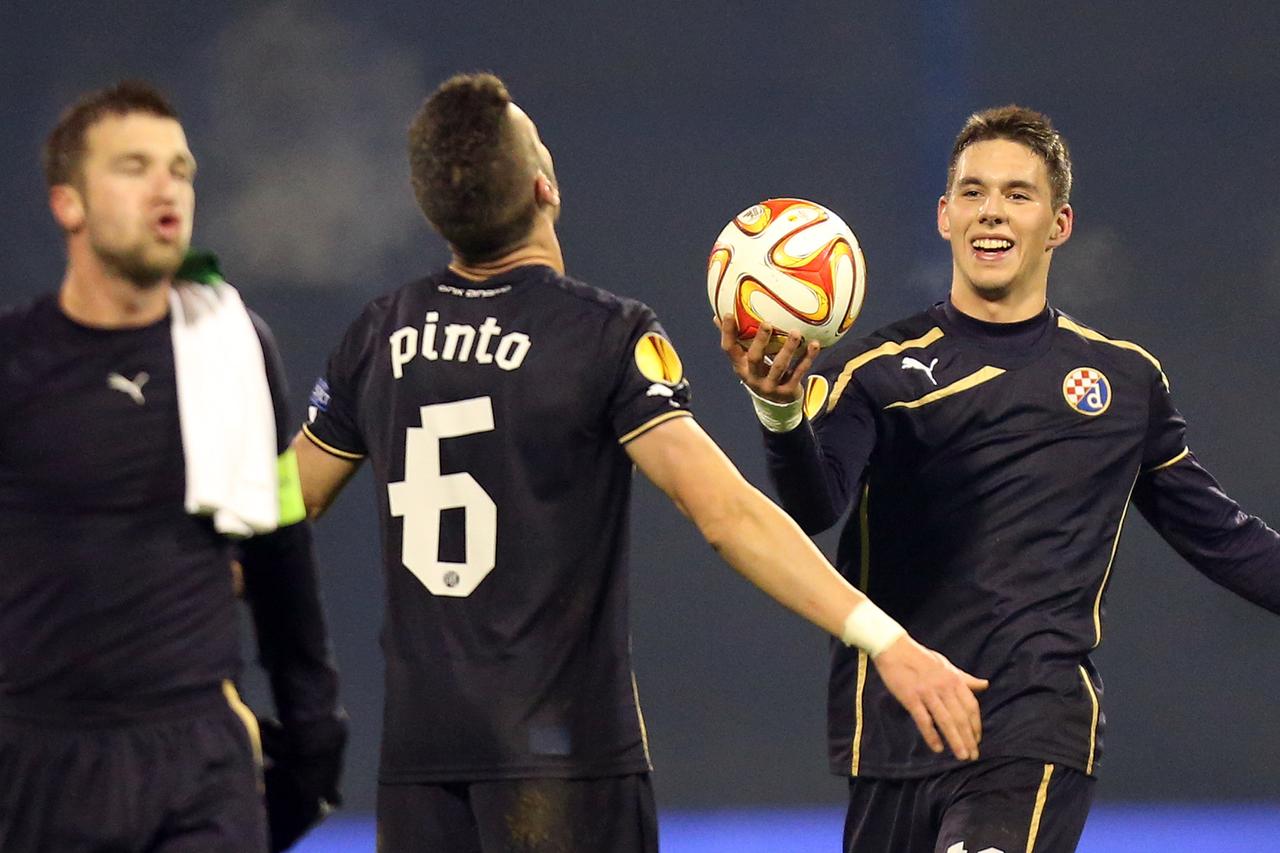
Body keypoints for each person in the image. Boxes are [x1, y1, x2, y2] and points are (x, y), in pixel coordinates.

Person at [293, 71, 986, 852]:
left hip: (418, 764)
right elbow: (723, 515)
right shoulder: (598, 335)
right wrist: (885, 638)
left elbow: (283, 503)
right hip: (560, 764)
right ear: (543, 185)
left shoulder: (378, 335)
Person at [721, 105, 1280, 852]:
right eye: (975, 192)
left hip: (1033, 727)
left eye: (1019, 194)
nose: (993, 211)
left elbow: (1223, 537)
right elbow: (814, 503)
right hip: (895, 729)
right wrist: (781, 410)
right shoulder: (876, 372)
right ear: (945, 214)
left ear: (1059, 224)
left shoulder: (1123, 380)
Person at [0, 81, 345, 852]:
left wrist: (315, 719)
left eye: (181, 169)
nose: (167, 187)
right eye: (134, 166)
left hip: (197, 760)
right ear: (69, 204)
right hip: (39, 763)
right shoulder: (15, 361)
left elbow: (279, 539)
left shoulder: (235, 343)